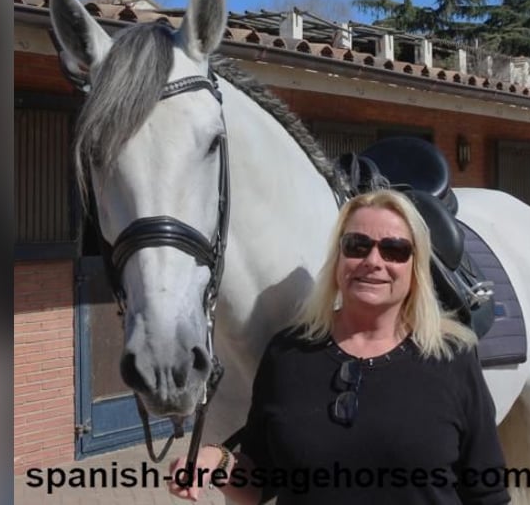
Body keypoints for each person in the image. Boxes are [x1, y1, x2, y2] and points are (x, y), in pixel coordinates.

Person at [169, 189, 510, 504]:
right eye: (357, 245)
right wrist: (218, 460)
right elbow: (260, 482)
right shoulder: (289, 353)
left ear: (415, 268)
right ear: (338, 260)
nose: (373, 261)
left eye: (394, 250)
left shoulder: (451, 357)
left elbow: (487, 494)